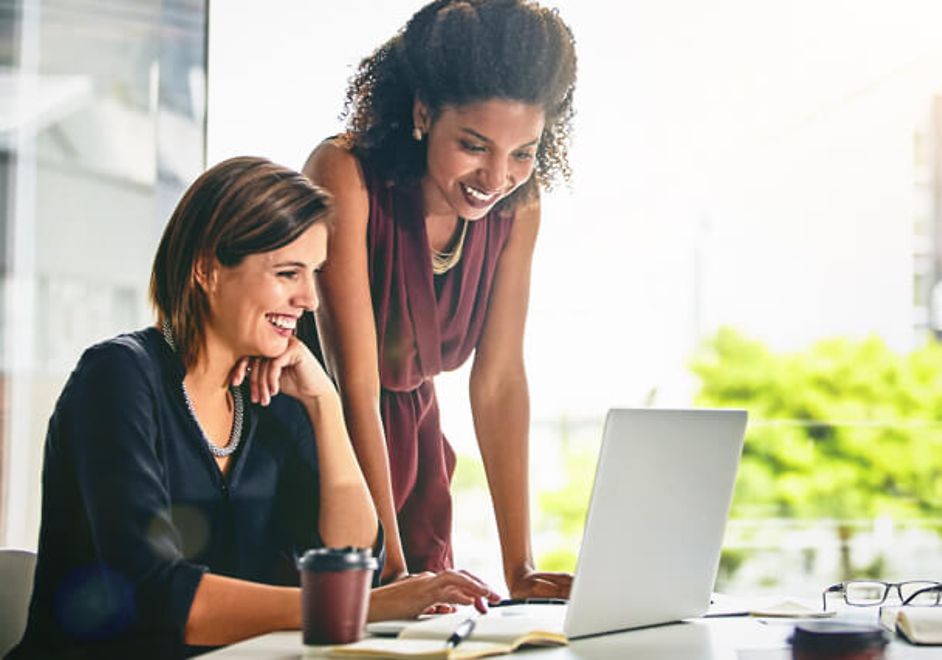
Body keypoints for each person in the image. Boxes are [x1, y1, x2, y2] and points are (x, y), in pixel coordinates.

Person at [8, 157, 496, 660]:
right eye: (288, 273)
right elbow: (155, 594)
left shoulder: (271, 393)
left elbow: (353, 559)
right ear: (207, 268)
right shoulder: (117, 378)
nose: (309, 298)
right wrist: (359, 608)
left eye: (315, 274)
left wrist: (324, 404)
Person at [300, 0, 578, 598]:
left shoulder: (517, 210)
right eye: (475, 145)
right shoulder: (343, 174)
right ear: (423, 112)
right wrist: (390, 567)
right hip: (321, 456)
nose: (497, 176)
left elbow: (499, 381)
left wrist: (520, 568)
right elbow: (358, 385)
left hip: (416, 467)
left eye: (523, 152)